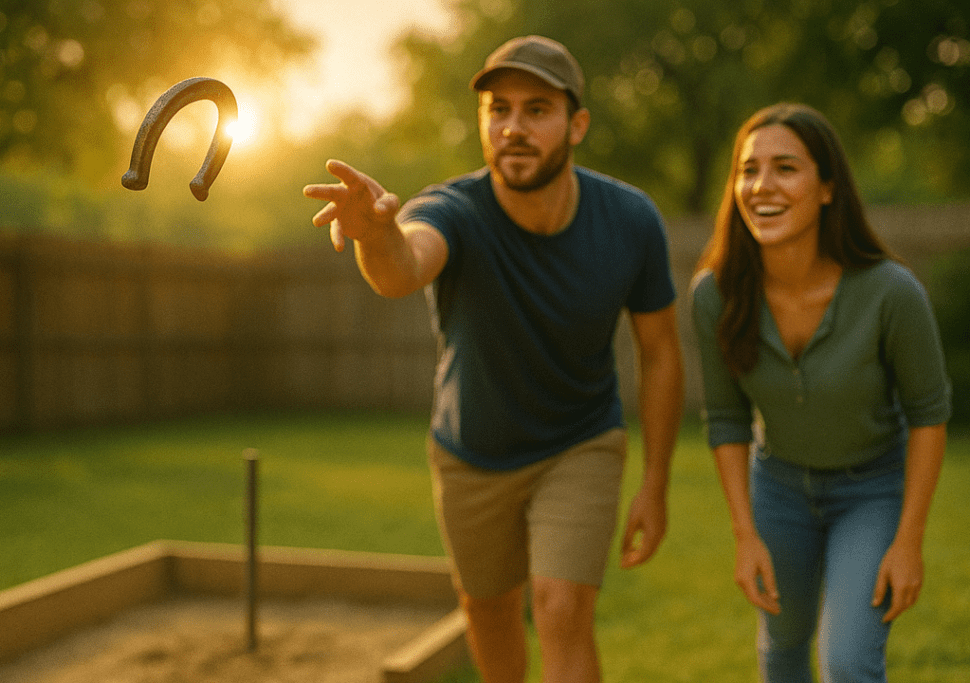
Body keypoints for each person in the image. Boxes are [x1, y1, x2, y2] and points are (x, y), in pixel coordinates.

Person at [304, 35, 684, 683]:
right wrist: (375, 235)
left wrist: (655, 482)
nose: (513, 127)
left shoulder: (630, 219)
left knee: (560, 605)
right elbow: (403, 266)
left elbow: (662, 352)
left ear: (577, 124)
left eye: (537, 109)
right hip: (471, 448)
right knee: (488, 608)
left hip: (580, 440)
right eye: (498, 109)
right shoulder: (453, 210)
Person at [691, 102, 951, 683]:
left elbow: (930, 415)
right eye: (748, 170)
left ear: (828, 189)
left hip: (872, 492)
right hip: (777, 489)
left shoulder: (891, 292)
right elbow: (726, 419)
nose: (762, 186)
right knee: (782, 651)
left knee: (848, 663)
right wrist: (745, 534)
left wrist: (908, 541)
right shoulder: (715, 295)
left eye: (786, 168)